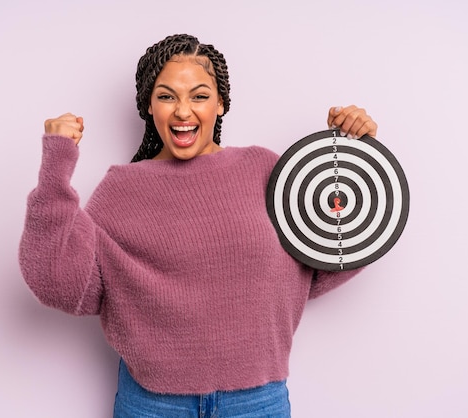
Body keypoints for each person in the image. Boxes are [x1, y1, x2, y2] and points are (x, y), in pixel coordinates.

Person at [19, 33, 378, 418]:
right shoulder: (121, 190)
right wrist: (56, 167)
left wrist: (358, 155)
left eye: (200, 96)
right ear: (149, 105)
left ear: (221, 103)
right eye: (167, 96)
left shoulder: (265, 170)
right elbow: (58, 284)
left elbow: (327, 259)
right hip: (153, 404)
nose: (183, 111)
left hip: (258, 403)